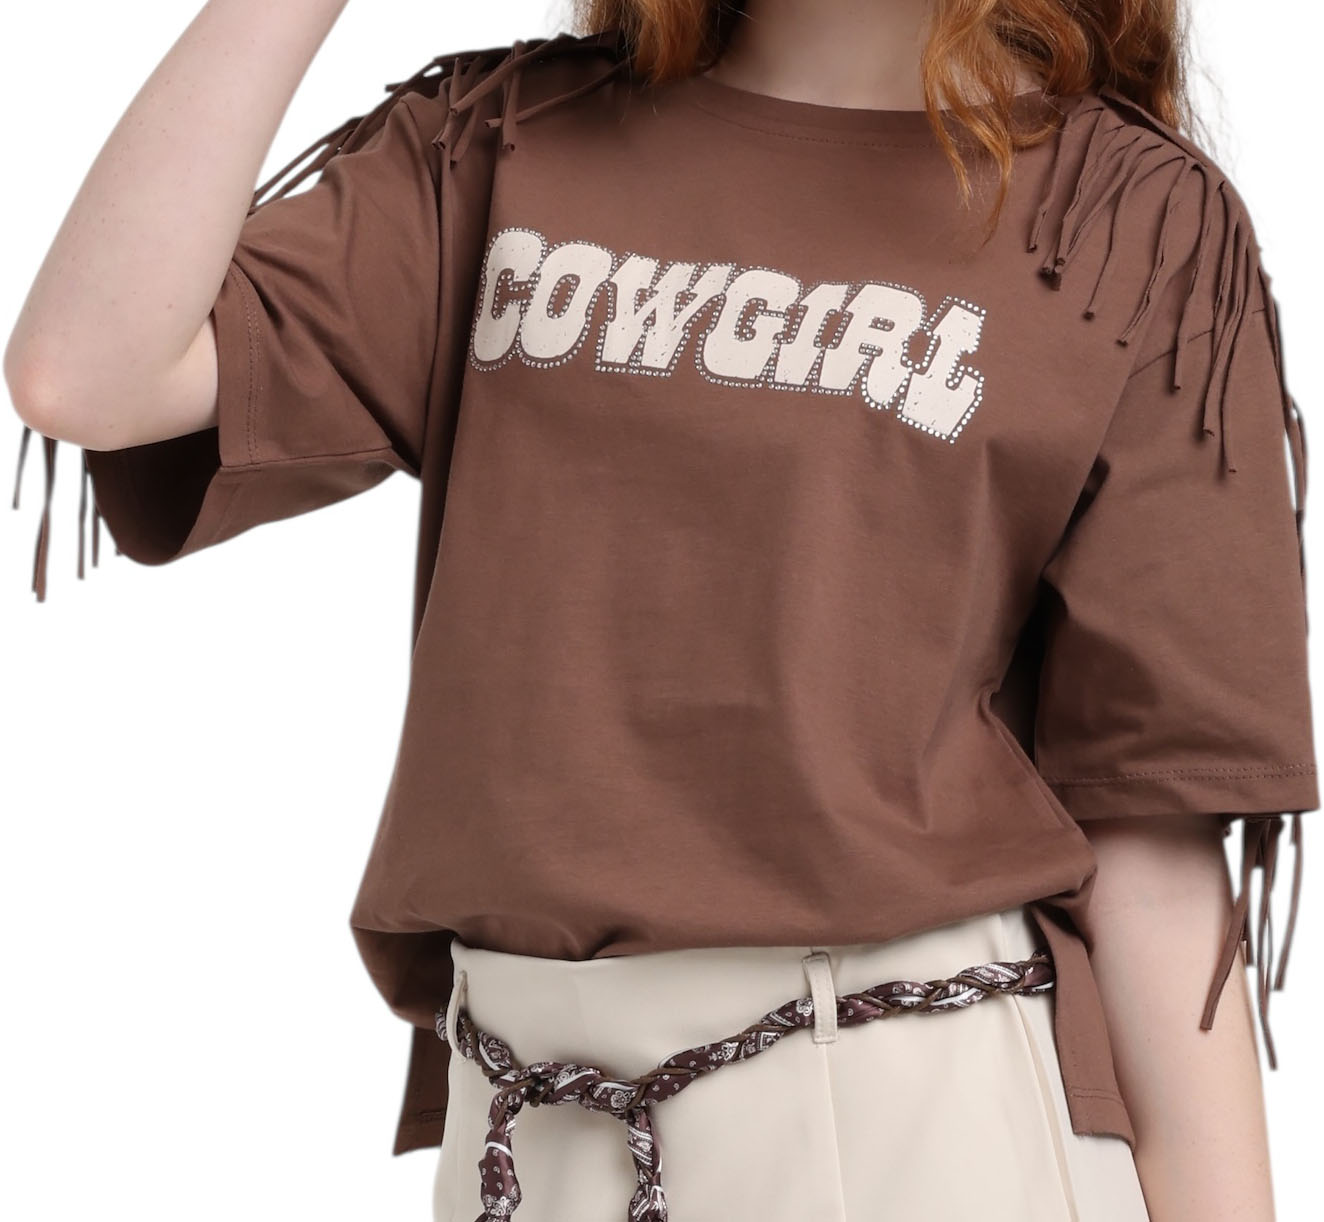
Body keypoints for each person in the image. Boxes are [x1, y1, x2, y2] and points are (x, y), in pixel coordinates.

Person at [4, 1, 1316, 1219]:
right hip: (526, 1122)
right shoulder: (500, 142)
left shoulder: (1130, 221)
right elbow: (84, 372)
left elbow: (1151, 832)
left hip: (915, 1118)